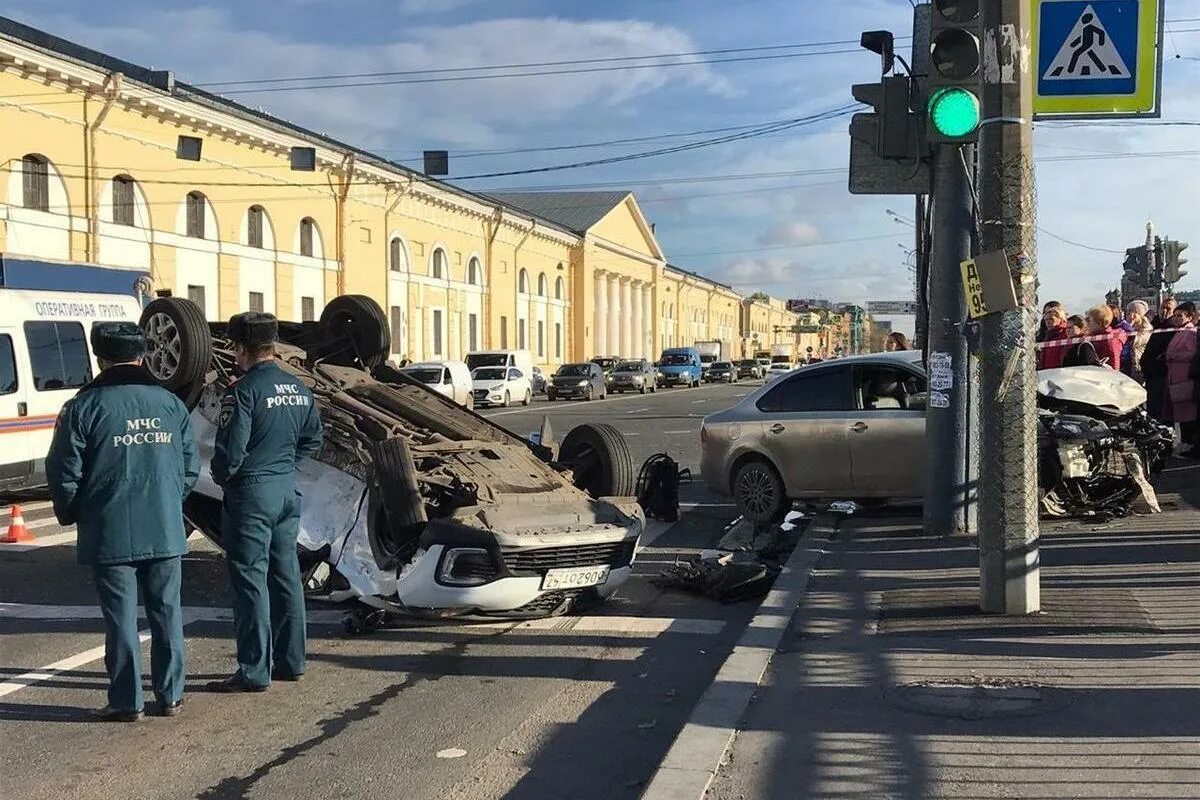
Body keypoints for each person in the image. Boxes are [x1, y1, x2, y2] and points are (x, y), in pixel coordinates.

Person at [45, 322, 198, 721]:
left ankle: (127, 701)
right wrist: (168, 500)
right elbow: (189, 467)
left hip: (109, 531)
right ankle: (171, 695)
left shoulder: (82, 407)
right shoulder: (170, 404)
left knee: (120, 619)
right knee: (168, 613)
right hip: (164, 528)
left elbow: (62, 471)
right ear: (143, 356)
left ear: (100, 359)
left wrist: (77, 512)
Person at [208, 312, 324, 693]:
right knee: (286, 575)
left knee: (250, 580)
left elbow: (229, 454)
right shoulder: (299, 389)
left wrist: (226, 478)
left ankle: (254, 669)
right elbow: (313, 440)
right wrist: (283, 465)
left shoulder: (241, 392)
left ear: (241, 349)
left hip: (251, 494)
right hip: (285, 489)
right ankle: (292, 662)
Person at [1165, 302, 1200, 456]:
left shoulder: (1191, 332)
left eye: (1180, 315)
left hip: (1185, 376)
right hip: (1175, 376)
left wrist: (1174, 356)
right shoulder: (1179, 331)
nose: (1177, 318)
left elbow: (1192, 353)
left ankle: (1190, 443)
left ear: (1190, 317)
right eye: (1176, 315)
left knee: (1189, 413)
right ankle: (1186, 443)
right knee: (1181, 413)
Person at [1122, 300, 1154, 384]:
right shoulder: (1133, 328)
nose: (1128, 315)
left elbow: (1136, 342)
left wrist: (1128, 328)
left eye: (1131, 312)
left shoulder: (1146, 329)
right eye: (1127, 312)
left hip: (1140, 369)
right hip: (1129, 368)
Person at [1085, 305, 1122, 370]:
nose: (1086, 323)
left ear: (1099, 323)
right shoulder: (1090, 337)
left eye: (1088, 320)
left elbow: (1114, 364)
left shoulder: (1110, 340)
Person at [1037, 304, 1071, 370]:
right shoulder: (1048, 335)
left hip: (1059, 373)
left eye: (1051, 319)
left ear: (1060, 319)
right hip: (1046, 372)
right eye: (1046, 320)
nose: (1048, 322)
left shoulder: (1066, 334)